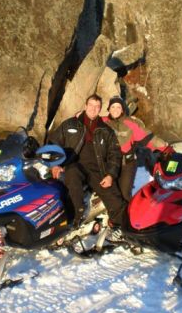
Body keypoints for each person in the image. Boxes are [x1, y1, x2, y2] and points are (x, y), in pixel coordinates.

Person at [48, 94, 127, 231]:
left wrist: (110, 175)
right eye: (91, 105)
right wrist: (54, 165)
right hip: (74, 165)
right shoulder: (69, 124)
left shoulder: (106, 130)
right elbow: (53, 143)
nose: (93, 109)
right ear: (85, 106)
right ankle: (77, 214)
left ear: (101, 109)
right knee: (72, 175)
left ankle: (118, 227)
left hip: (98, 170)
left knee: (115, 200)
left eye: (97, 106)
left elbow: (115, 154)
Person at [103, 96, 167, 201]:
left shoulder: (130, 123)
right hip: (108, 164)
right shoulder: (103, 121)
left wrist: (164, 147)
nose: (115, 110)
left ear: (122, 109)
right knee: (111, 193)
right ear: (108, 109)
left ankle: (130, 213)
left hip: (126, 164)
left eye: (118, 107)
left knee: (124, 194)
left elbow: (147, 137)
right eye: (113, 107)